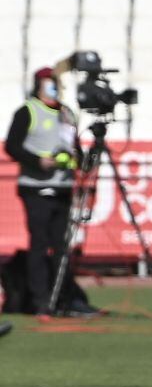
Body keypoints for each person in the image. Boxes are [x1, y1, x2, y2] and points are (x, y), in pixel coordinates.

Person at [4, 67, 96, 318]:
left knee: (61, 246)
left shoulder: (67, 114)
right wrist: (38, 161)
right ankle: (40, 301)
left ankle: (62, 299)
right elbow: (12, 145)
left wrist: (79, 158)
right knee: (39, 244)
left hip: (63, 186)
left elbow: (75, 146)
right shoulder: (27, 111)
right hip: (35, 187)